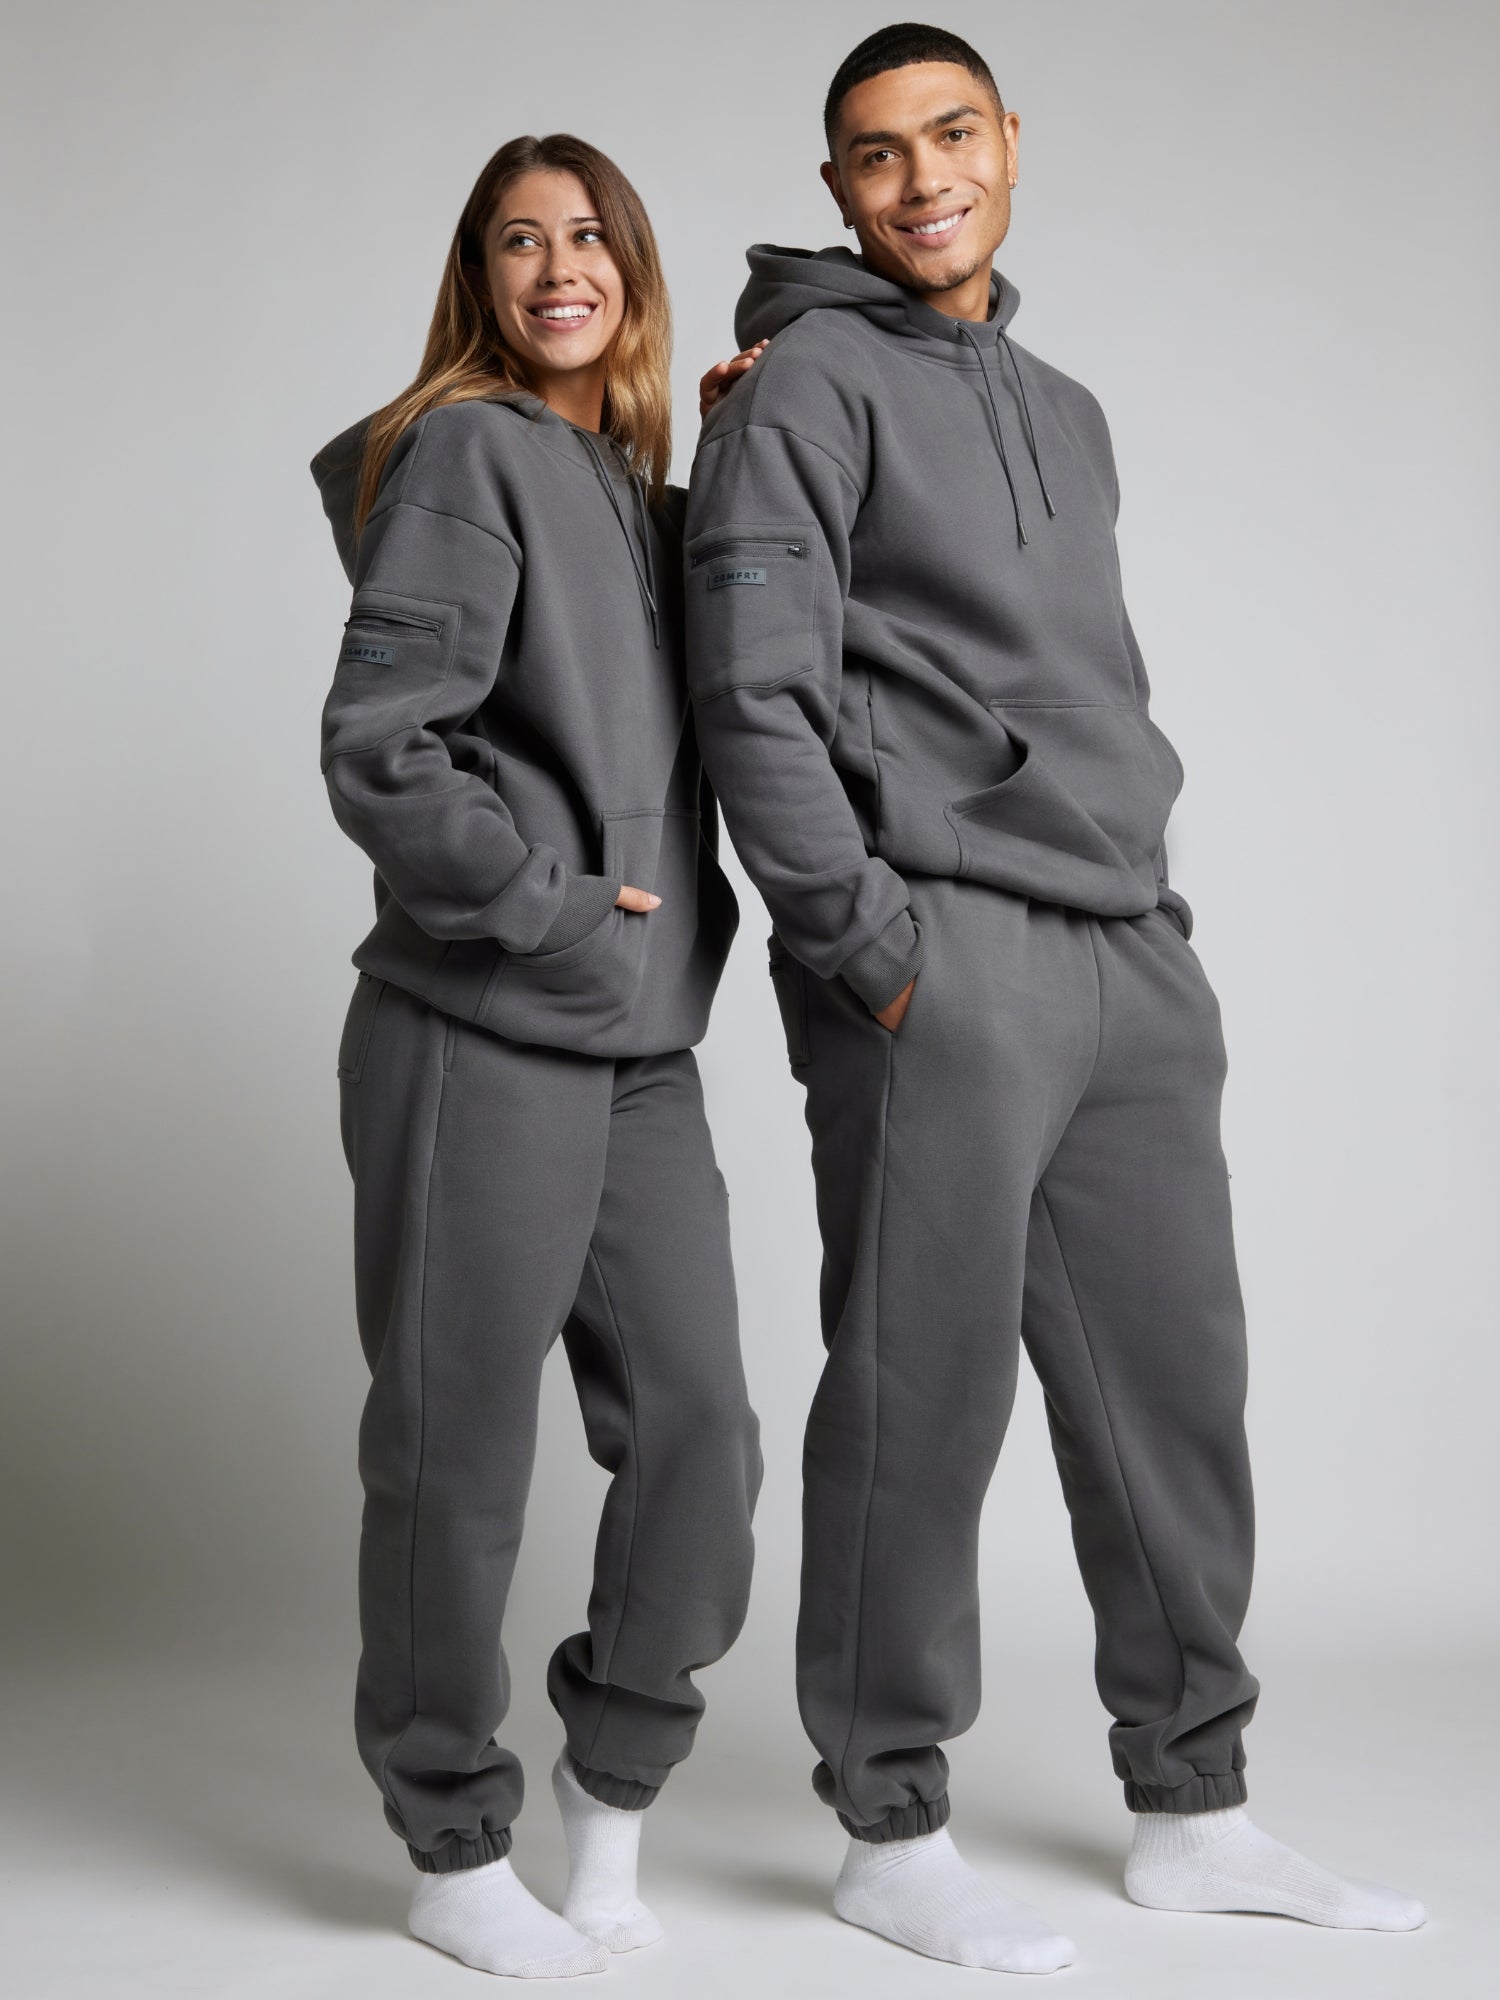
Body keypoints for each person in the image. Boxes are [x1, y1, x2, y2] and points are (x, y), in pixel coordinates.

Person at [684, 22, 1425, 1974]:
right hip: (942, 945)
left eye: (952, 135)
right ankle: (888, 1826)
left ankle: (1198, 1804)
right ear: (835, 187)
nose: (924, 178)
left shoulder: (1066, 407)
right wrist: (866, 943)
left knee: (1175, 1381)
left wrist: (1153, 913)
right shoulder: (802, 386)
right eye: (877, 153)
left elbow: (1091, 673)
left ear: (1011, 141)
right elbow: (751, 689)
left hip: (1124, 949)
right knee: (919, 1390)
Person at [311, 132, 764, 1980]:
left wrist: (746, 434)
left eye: (590, 238)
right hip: (478, 1028)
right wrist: (550, 908)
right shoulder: (471, 454)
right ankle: (449, 1841)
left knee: (703, 1438)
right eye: (520, 240)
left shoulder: (642, 500)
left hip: (639, 1052)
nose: (558, 266)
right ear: (480, 279)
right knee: (457, 1453)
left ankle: (613, 1787)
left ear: (635, 273)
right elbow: (379, 745)